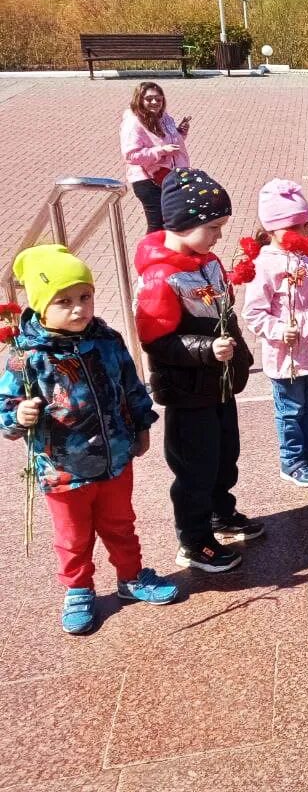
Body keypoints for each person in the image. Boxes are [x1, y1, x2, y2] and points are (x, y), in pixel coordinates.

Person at [2, 244, 178, 635]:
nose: (79, 308)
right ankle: (78, 589)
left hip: (116, 456)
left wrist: (143, 425)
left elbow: (131, 385)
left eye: (85, 296)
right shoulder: (25, 356)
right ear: (41, 307)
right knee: (73, 536)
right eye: (64, 301)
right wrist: (18, 416)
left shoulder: (108, 339)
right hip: (63, 468)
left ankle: (131, 577)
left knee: (121, 523)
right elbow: (6, 406)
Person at [134, 168, 259, 574]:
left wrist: (238, 354)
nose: (219, 236)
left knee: (225, 455)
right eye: (213, 227)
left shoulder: (207, 262)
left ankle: (222, 512)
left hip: (218, 383)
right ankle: (194, 539)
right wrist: (207, 350)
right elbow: (157, 341)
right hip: (189, 390)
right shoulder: (161, 278)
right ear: (185, 223)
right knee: (195, 467)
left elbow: (226, 314)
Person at [242, 180, 308, 488]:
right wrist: (278, 329)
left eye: (305, 226)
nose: (303, 234)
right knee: (290, 410)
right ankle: (291, 461)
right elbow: (253, 312)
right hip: (287, 354)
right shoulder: (265, 264)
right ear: (272, 229)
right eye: (294, 228)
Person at [120, 81, 191, 232]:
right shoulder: (133, 122)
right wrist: (161, 150)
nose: (155, 102)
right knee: (157, 224)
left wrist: (180, 133)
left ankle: (165, 254)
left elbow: (170, 144)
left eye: (159, 99)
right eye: (149, 99)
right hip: (147, 179)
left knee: (171, 223)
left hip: (168, 176)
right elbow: (131, 155)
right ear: (139, 99)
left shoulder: (164, 118)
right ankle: (149, 255)